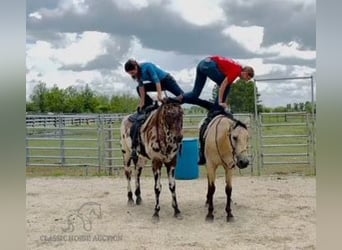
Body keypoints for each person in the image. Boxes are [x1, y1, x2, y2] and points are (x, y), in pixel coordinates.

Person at [181, 56, 254, 165]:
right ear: (246, 73)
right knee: (225, 86)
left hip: (203, 64)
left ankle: (175, 99)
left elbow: (226, 88)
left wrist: (224, 103)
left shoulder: (236, 68)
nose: (245, 80)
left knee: (195, 95)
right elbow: (224, 84)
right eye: (247, 78)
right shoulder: (236, 71)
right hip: (209, 65)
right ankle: (204, 152)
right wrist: (220, 101)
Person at [124, 59, 184, 162]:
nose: (132, 74)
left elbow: (157, 81)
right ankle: (150, 105)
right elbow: (142, 88)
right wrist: (142, 103)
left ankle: (169, 103)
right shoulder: (137, 75)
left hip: (166, 81)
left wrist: (159, 95)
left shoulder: (147, 66)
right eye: (130, 74)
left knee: (182, 97)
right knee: (138, 88)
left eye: (132, 72)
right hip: (158, 85)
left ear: (136, 67)